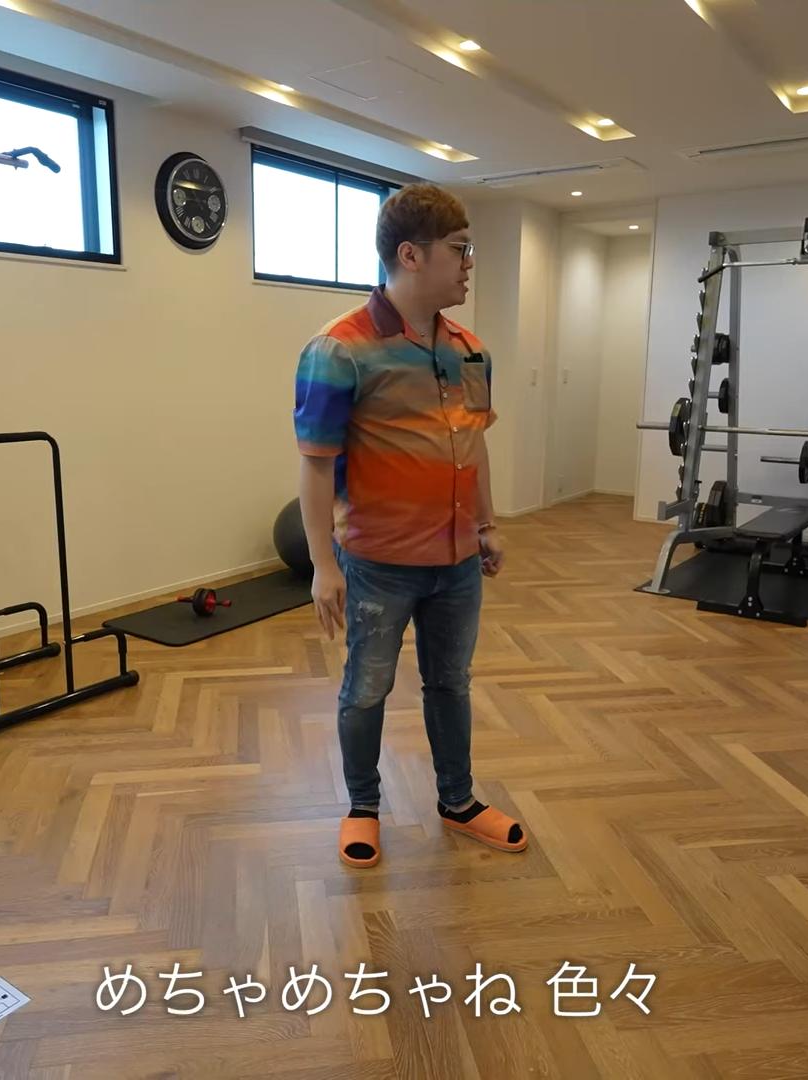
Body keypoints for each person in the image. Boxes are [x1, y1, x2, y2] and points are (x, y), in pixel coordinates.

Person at [292, 183, 528, 869]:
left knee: (451, 683)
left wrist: (487, 525)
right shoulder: (339, 350)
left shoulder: (470, 350)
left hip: (456, 562)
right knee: (367, 688)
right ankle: (363, 807)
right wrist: (323, 566)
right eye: (460, 249)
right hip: (379, 564)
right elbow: (315, 465)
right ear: (410, 254)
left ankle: (458, 801)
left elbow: (474, 445)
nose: (469, 264)